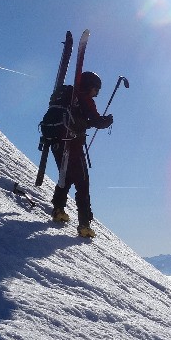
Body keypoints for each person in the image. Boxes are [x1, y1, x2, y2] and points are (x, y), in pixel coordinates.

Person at [51, 71, 112, 237]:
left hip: (56, 142)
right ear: (89, 87)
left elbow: (83, 120)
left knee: (66, 177)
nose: (96, 93)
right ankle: (84, 225)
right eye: (95, 89)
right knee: (82, 183)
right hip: (73, 145)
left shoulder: (68, 96)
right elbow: (96, 121)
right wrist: (107, 121)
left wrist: (89, 123)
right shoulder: (84, 99)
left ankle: (58, 210)